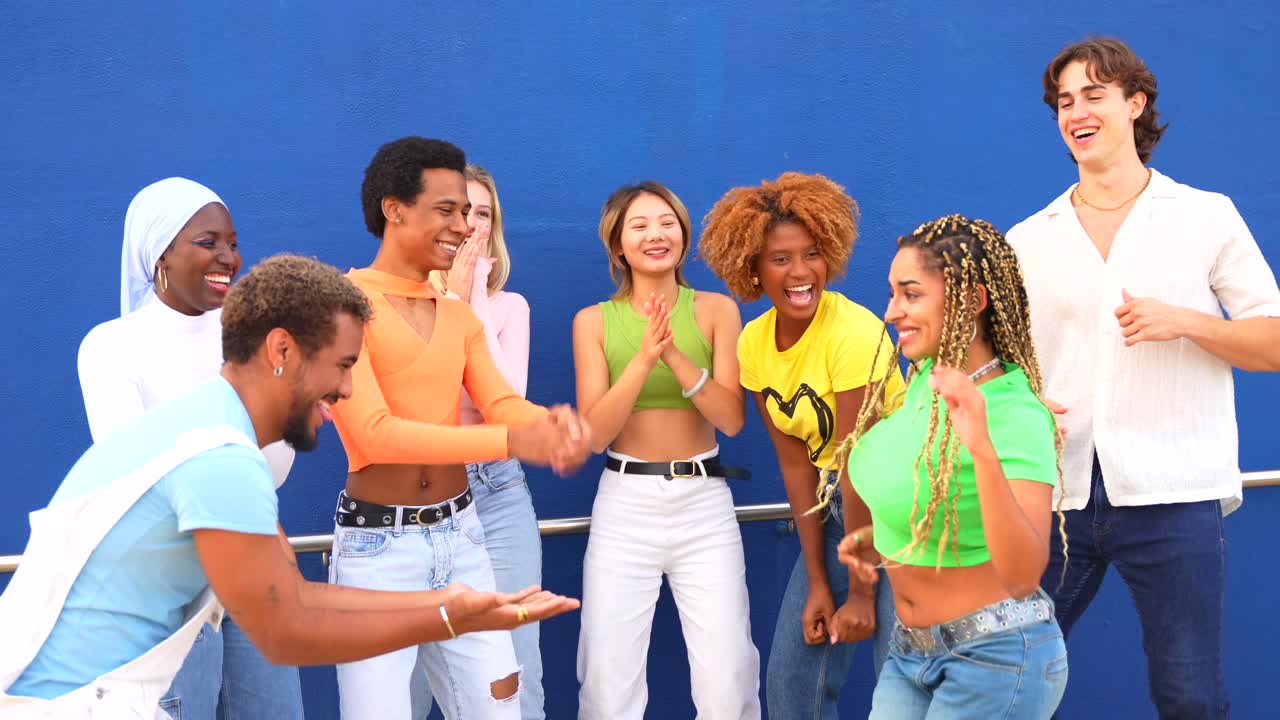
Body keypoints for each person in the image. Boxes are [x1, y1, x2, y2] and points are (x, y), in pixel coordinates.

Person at [0, 255, 580, 719]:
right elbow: (286, 632)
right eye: (342, 365)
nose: (349, 389)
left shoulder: (212, 428)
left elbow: (294, 595)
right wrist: (454, 618)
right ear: (282, 350)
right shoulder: (220, 459)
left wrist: (449, 603)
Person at [1007, 37, 1280, 719]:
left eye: (1093, 94)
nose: (1076, 111)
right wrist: (1023, 402)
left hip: (1174, 493)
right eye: (1064, 102)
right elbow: (1009, 368)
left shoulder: (1204, 215)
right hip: (1058, 496)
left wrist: (1189, 322)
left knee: (1187, 693)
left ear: (1136, 104)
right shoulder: (1027, 238)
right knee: (1007, 676)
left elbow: (1272, 343)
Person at [327, 137, 592, 719]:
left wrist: (550, 426)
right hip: (377, 553)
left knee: (502, 709)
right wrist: (513, 439)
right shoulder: (340, 306)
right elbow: (375, 434)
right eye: (446, 210)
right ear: (394, 209)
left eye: (470, 212)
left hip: (466, 541)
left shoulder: (459, 315)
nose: (464, 226)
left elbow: (500, 401)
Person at [76, 176, 300, 718]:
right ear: (160, 256)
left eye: (231, 241)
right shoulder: (111, 347)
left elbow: (279, 463)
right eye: (207, 243)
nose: (228, 256)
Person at [835, 214, 1067, 719]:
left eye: (910, 294)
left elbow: (1024, 573)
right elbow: (934, 494)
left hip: (996, 659)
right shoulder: (924, 380)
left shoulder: (1015, 412)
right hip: (908, 652)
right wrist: (880, 535)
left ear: (972, 301)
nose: (892, 311)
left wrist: (981, 445)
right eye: (893, 293)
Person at [698, 171, 901, 718]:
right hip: (837, 508)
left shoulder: (854, 332)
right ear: (752, 267)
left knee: (902, 684)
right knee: (791, 686)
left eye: (811, 254)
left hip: (902, 512)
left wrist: (860, 593)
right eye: (780, 259)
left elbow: (860, 462)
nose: (800, 272)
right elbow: (796, 465)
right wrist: (818, 580)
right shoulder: (754, 342)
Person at [572, 181, 760, 719]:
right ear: (618, 245)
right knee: (608, 681)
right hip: (624, 504)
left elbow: (731, 418)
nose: (656, 234)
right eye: (640, 225)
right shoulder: (594, 322)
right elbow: (593, 434)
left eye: (667, 223)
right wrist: (641, 358)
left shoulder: (717, 311)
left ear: (683, 235)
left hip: (704, 503)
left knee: (728, 678)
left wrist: (673, 354)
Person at [421, 165, 546, 719]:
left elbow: (507, 403)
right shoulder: (402, 305)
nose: (470, 223)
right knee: (412, 674)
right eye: (458, 210)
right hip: (419, 494)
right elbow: (422, 397)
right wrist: (443, 298)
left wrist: (469, 295)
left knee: (516, 666)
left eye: (483, 213)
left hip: (497, 492)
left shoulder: (509, 308)